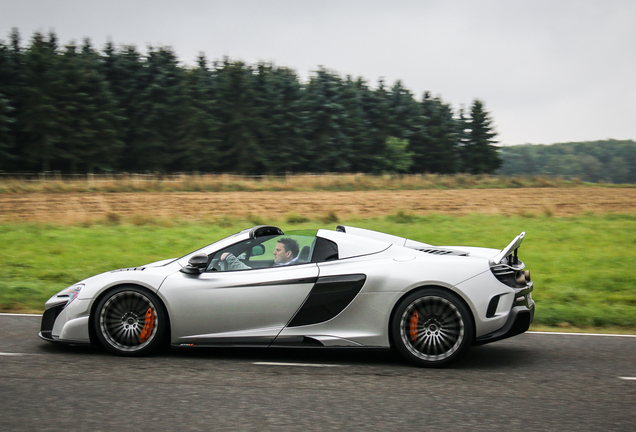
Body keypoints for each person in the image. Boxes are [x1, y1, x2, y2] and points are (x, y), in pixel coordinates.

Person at [220, 237, 300, 271]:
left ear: (288, 253)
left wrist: (230, 258)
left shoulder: (288, 269)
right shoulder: (291, 265)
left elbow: (252, 275)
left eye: (278, 250)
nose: (274, 253)